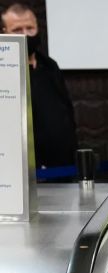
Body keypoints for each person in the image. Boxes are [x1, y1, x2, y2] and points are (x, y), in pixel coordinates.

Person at [1, 2, 78, 178]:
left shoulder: (50, 67)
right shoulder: (3, 71)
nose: (25, 35)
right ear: (4, 32)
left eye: (30, 28)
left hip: (62, 171)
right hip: (19, 176)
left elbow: (67, 114)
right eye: (17, 30)